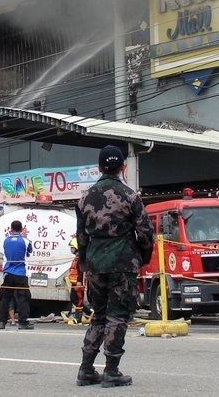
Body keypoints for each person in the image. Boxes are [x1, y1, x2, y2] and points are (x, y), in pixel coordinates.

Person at [74, 144, 154, 388]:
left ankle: (86, 369)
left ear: (99, 167)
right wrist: (142, 256)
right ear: (123, 167)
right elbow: (146, 233)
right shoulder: (130, 196)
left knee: (98, 315)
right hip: (123, 263)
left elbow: (81, 238)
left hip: (96, 263)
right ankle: (111, 370)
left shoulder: (84, 198)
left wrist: (88, 262)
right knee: (117, 316)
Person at [0, 220, 33, 330]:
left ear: (11, 229)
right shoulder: (25, 240)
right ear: (22, 228)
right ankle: (22, 322)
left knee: (5, 298)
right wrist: (25, 236)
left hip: (8, 272)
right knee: (23, 297)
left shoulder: (6, 240)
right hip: (20, 273)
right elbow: (30, 251)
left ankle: (2, 322)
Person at [66, 236, 87, 324]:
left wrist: (79, 281)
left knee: (78, 300)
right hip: (74, 282)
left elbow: (81, 270)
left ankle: (78, 319)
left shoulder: (80, 258)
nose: (71, 249)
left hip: (78, 282)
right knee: (74, 299)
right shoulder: (77, 257)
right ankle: (88, 313)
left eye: (72, 247)